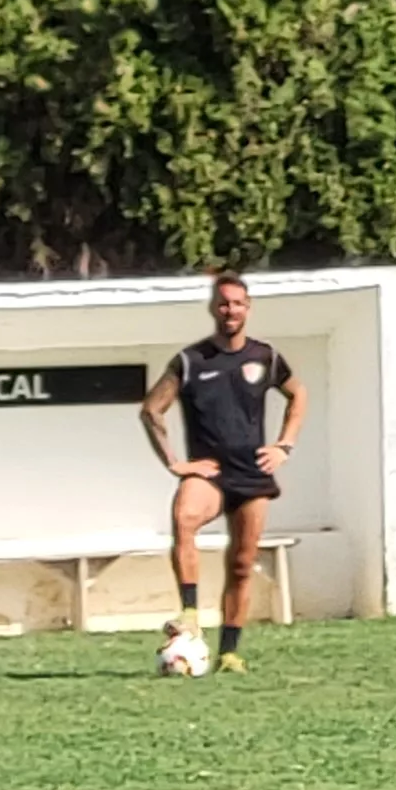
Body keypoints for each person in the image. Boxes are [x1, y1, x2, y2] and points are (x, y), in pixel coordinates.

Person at [141, 271, 304, 674]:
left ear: (247, 308)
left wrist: (284, 445)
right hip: (210, 472)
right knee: (184, 517)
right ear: (214, 308)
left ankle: (229, 653)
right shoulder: (191, 360)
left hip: (251, 475)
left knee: (241, 564)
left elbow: (298, 394)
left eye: (238, 303)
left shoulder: (265, 357)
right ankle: (191, 612)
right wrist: (176, 463)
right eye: (224, 303)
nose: (231, 310)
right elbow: (151, 409)